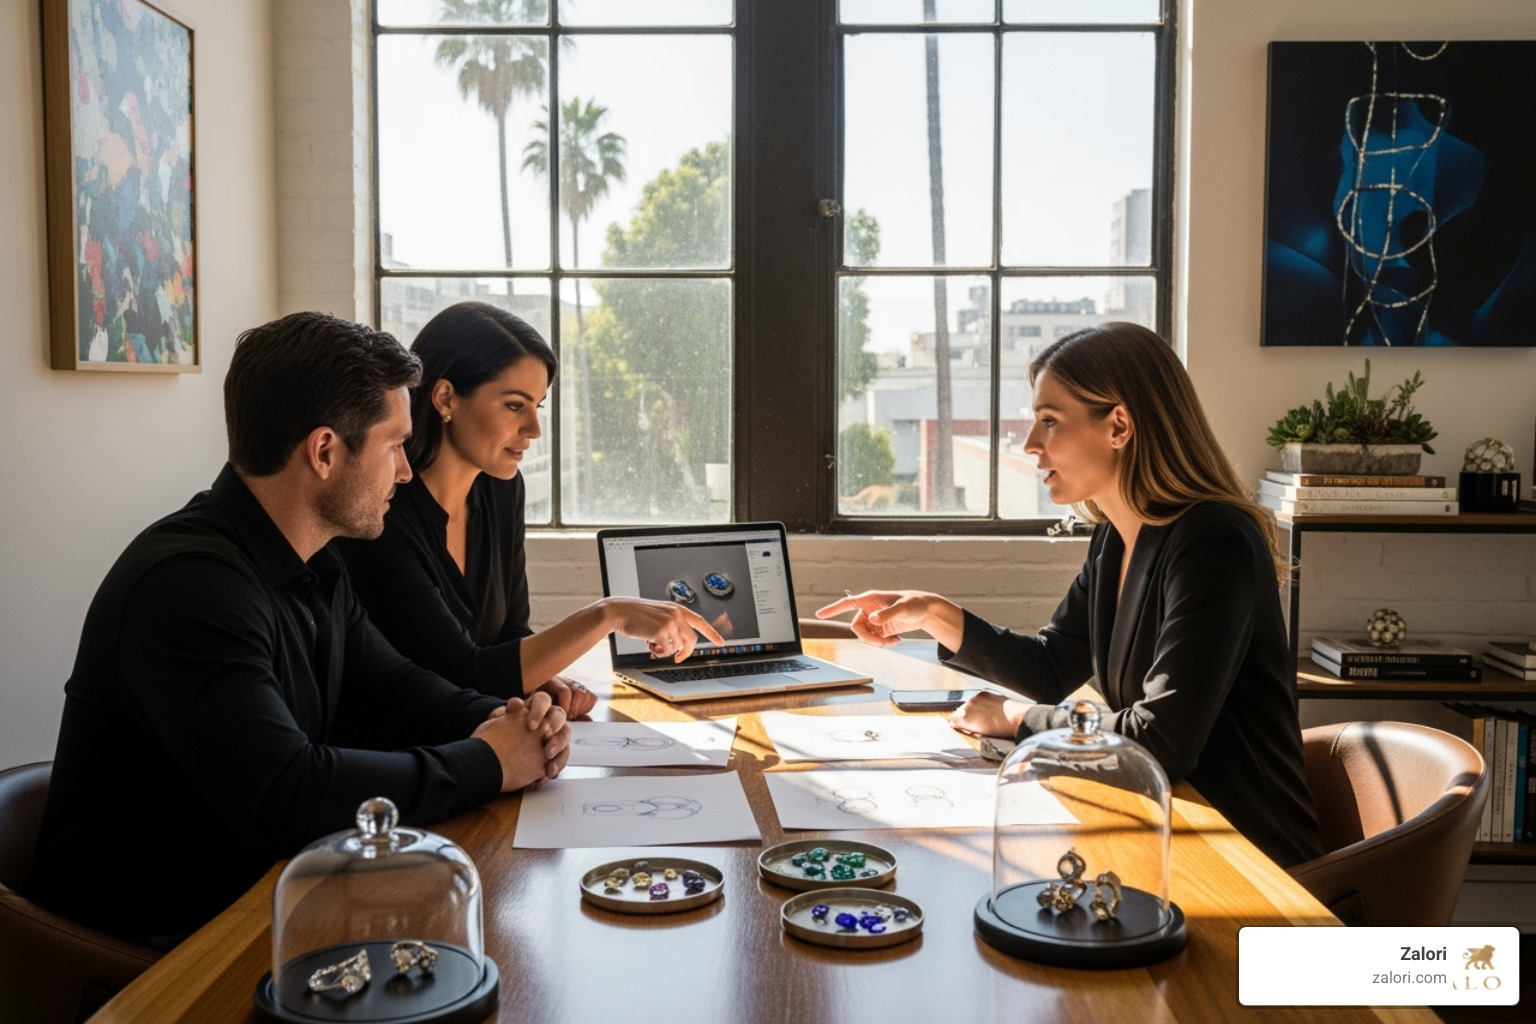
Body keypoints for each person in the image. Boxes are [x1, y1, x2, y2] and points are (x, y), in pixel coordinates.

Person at [29, 313, 571, 947]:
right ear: (323, 451)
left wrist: (513, 719)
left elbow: (391, 686)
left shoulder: (315, 562)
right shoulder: (189, 587)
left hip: (270, 903)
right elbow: (286, 795)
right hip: (157, 953)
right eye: (394, 445)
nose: (404, 471)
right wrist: (485, 761)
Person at [817, 322, 1326, 869]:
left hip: (1250, 858)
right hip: (1167, 828)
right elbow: (1052, 666)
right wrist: (935, 614)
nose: (1031, 445)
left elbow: (1160, 741)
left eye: (1050, 422)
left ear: (1120, 426)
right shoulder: (1117, 535)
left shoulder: (1215, 542)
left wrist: (1015, 720)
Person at [334, 302, 723, 709]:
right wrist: (608, 614)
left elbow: (510, 631)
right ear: (446, 398)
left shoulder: (501, 489)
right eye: (515, 405)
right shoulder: (381, 514)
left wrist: (541, 677)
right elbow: (459, 673)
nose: (535, 430)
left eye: (536, 407)